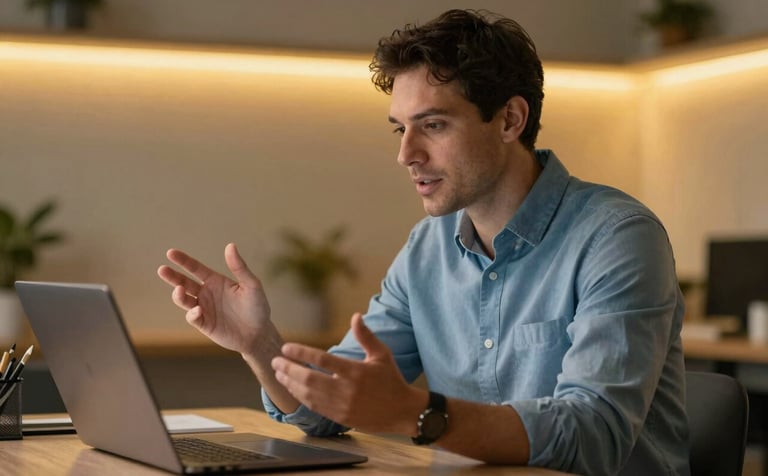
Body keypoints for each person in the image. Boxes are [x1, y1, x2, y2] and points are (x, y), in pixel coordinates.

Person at [157, 9, 689, 476]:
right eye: (399, 129)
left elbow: (593, 437)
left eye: (432, 125)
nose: (406, 154)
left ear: (510, 119)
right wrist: (260, 344)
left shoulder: (617, 236)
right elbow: (328, 407)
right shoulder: (426, 248)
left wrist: (413, 413)